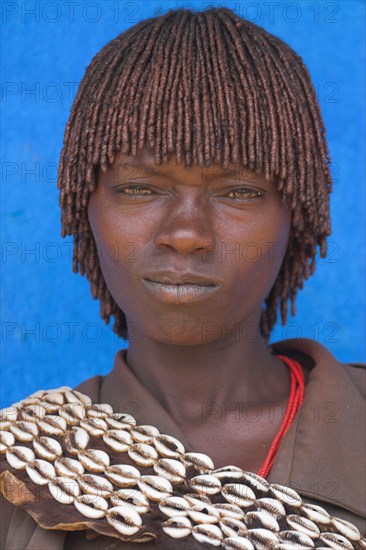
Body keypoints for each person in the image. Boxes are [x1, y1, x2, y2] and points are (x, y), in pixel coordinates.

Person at [1, 6, 365, 549]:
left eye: (239, 191)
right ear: (84, 212)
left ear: (301, 216)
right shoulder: (20, 461)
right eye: (140, 188)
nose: (187, 233)